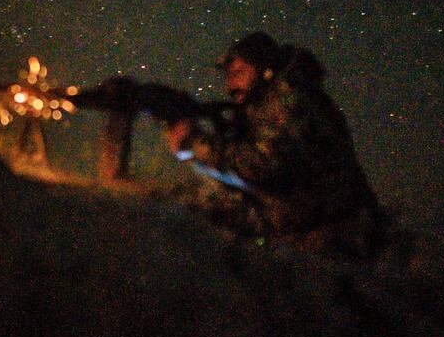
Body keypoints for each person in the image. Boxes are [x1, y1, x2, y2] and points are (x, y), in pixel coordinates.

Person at [165, 31, 387, 259]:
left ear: (265, 69)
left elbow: (261, 165)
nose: (230, 86)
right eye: (228, 76)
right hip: (306, 225)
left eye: (239, 73)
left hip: (334, 234)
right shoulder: (264, 105)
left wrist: (195, 143)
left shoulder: (289, 98)